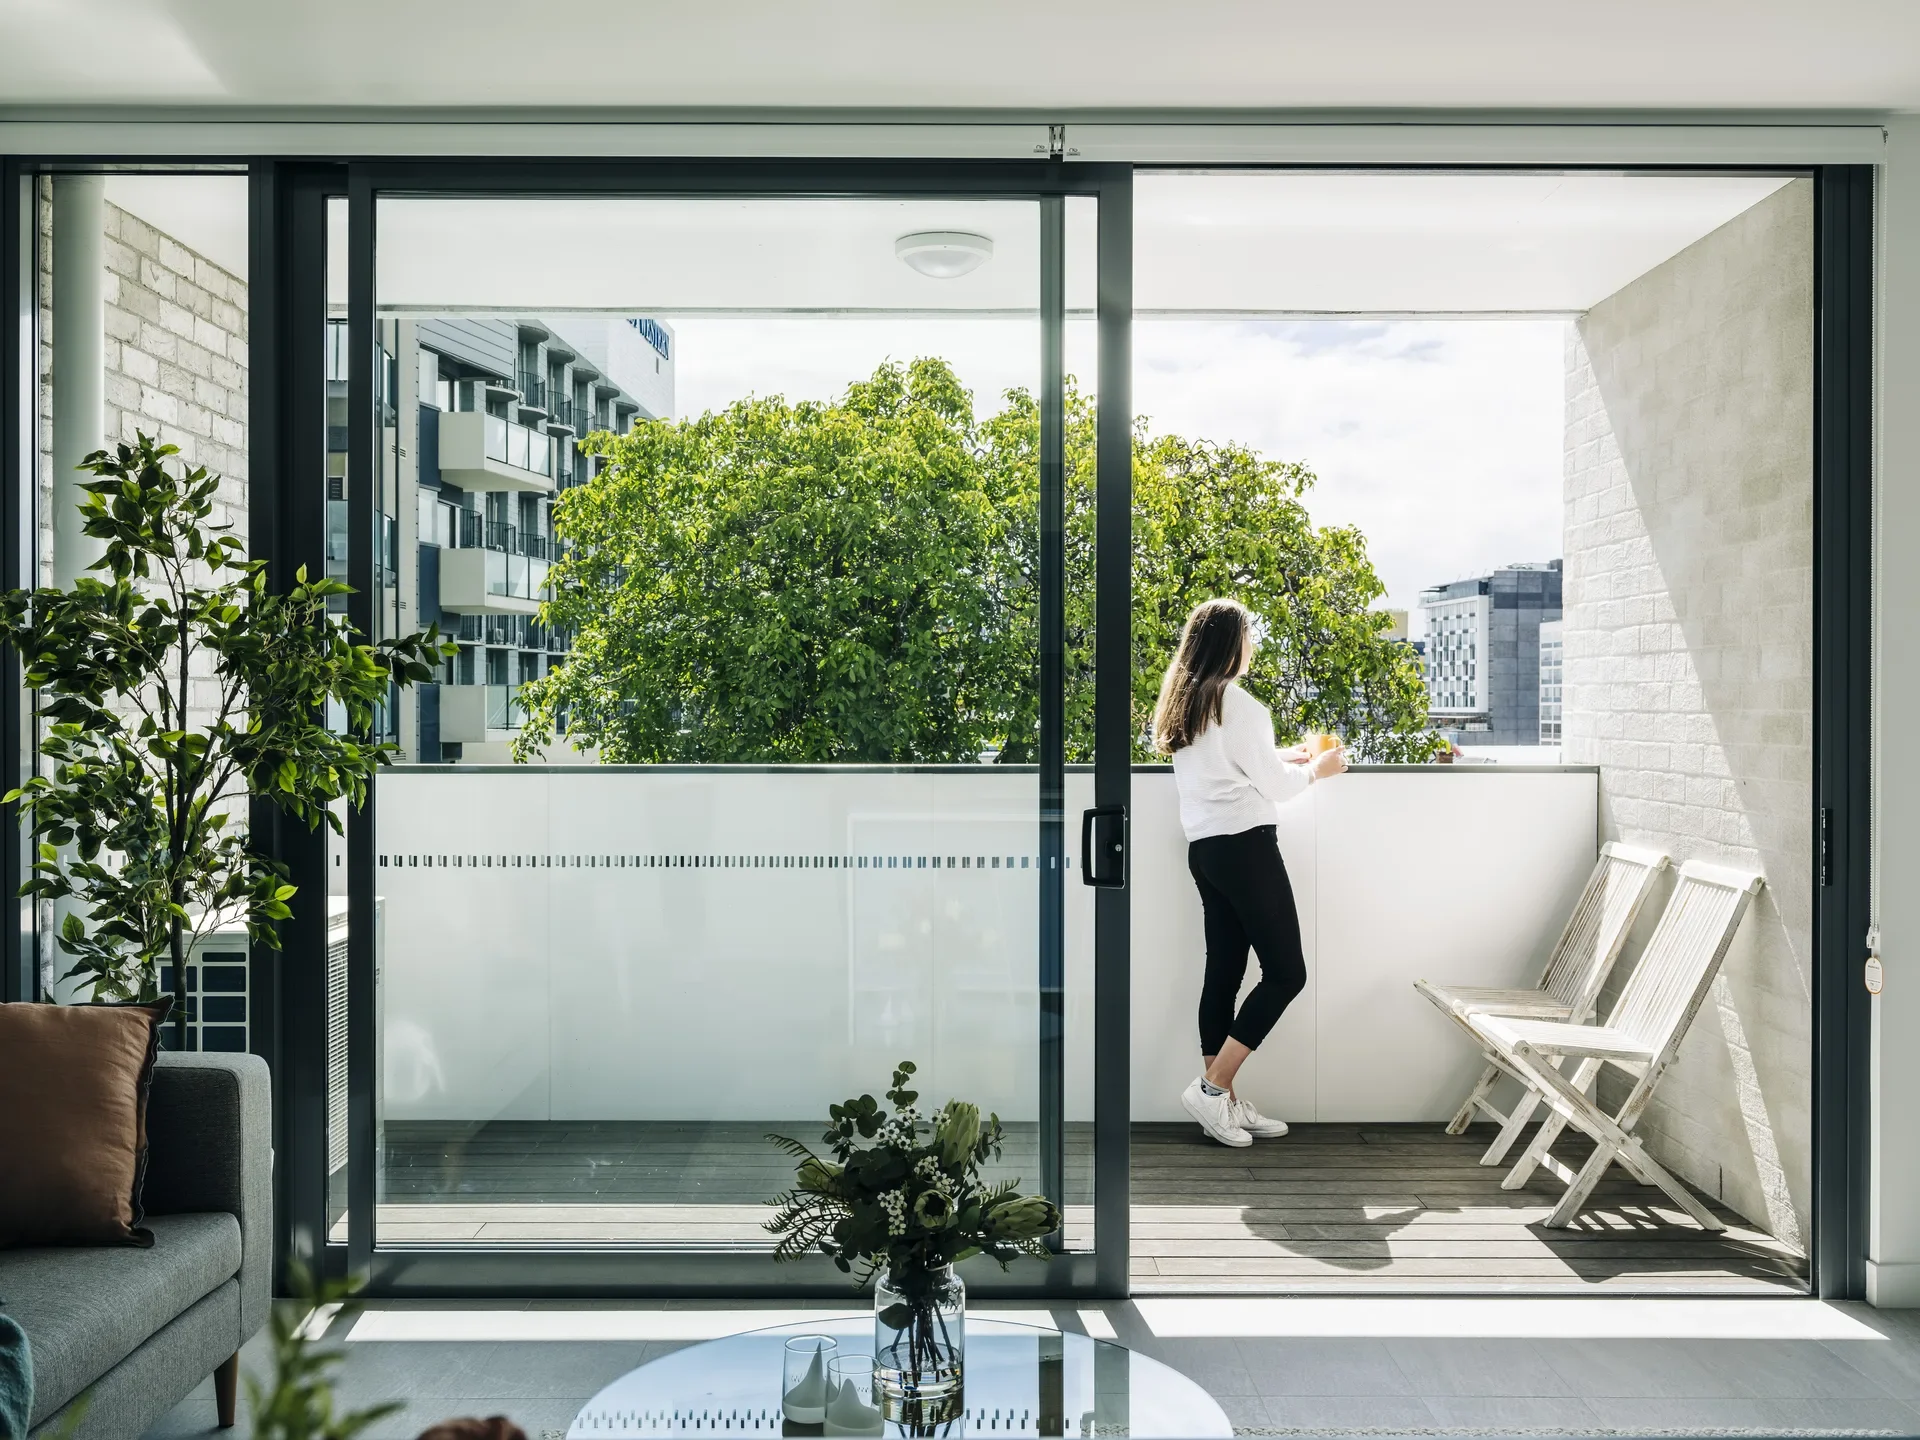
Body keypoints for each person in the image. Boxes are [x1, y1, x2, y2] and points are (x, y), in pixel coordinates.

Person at [1152, 597, 1347, 1147]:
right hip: (1247, 849)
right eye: (1247, 636)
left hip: (1208, 852)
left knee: (1226, 970)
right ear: (1231, 644)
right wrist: (1320, 769)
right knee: (1287, 973)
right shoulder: (1238, 705)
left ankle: (1225, 1104)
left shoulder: (1187, 702)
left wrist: (1289, 755)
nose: (1252, 646)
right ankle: (1214, 1090)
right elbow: (1278, 788)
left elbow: (1235, 764)